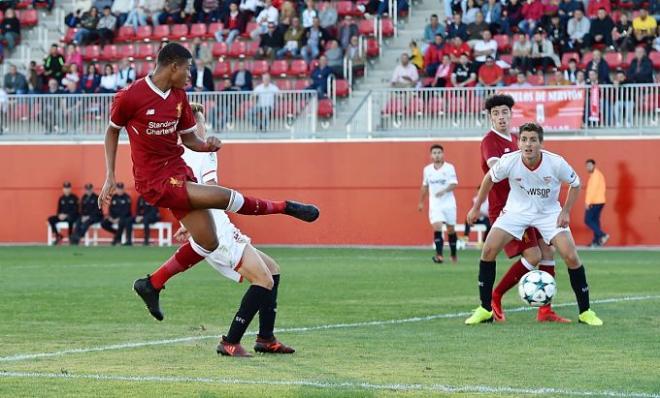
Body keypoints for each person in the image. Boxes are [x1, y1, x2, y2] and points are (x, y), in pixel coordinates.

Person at [100, 43, 319, 322]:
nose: (191, 75)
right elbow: (112, 131)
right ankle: (285, 207)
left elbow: (190, 138)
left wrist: (207, 146)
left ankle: (152, 284)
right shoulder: (131, 97)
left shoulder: (179, 96)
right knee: (224, 197)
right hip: (155, 181)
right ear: (173, 66)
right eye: (188, 68)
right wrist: (110, 174)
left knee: (208, 241)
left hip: (179, 172)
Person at [176, 102, 295, 356]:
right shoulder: (205, 150)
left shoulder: (177, 158)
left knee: (272, 270)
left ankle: (265, 338)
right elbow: (212, 187)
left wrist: (187, 224)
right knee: (263, 280)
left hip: (206, 227)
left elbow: (179, 197)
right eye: (201, 122)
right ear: (193, 125)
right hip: (218, 230)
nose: (204, 127)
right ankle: (230, 341)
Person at [465, 122, 603, 326]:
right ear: (518, 142)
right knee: (488, 251)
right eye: (524, 139)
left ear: (541, 143)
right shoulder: (509, 161)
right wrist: (476, 207)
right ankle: (485, 310)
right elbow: (489, 179)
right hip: (516, 212)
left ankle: (585, 312)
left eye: (533, 140)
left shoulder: (555, 163)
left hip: (549, 213)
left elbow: (575, 183)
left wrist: (565, 211)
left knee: (571, 256)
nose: (528, 144)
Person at [469, 94, 568, 323]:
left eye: (504, 112)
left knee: (548, 252)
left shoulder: (517, 139)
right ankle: (494, 296)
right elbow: (498, 169)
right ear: (490, 117)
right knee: (533, 255)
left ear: (511, 114)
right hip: (508, 209)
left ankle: (545, 310)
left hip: (533, 207)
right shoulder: (490, 141)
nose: (501, 117)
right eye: (496, 113)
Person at [417, 144, 459, 263]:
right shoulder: (427, 170)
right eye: (434, 153)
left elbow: (454, 183)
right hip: (435, 204)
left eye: (439, 152)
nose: (437, 155)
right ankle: (439, 255)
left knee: (451, 229)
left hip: (449, 203)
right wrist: (421, 202)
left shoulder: (449, 167)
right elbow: (424, 186)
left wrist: (444, 190)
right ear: (431, 155)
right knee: (437, 226)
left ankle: (453, 254)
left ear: (443, 154)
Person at [584, 159, 609, 247]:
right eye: (587, 166)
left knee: (587, 220)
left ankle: (602, 235)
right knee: (595, 221)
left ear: (594, 165)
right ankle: (596, 241)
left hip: (595, 202)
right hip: (599, 201)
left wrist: (587, 202)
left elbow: (592, 190)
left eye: (590, 165)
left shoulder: (595, 175)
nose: (588, 167)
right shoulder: (597, 174)